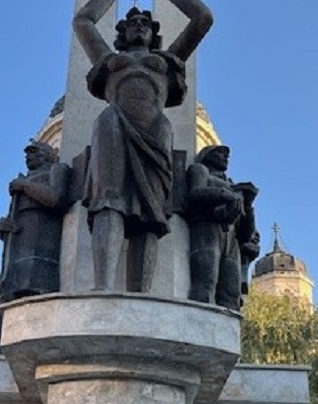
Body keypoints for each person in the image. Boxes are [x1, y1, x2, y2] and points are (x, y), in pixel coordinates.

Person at [73, 0, 213, 291]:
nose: (139, 25)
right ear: (122, 33)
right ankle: (102, 287)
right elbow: (83, 21)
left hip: (156, 129)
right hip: (114, 121)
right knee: (107, 200)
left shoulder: (169, 58)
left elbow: (203, 18)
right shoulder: (108, 57)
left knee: (152, 209)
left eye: (145, 23)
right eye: (133, 22)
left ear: (154, 34)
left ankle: (142, 293)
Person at [0, 141, 72, 353]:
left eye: (34, 153)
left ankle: (32, 348)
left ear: (50, 154)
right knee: (6, 297)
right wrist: (3, 228)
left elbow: (56, 199)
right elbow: (13, 216)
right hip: (17, 245)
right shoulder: (22, 180)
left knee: (35, 292)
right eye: (27, 154)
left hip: (40, 244)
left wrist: (25, 187)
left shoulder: (57, 170)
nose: (28, 157)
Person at [185, 145, 258, 309]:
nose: (225, 157)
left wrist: (248, 204)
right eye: (220, 153)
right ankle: (199, 325)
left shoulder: (232, 184)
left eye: (227, 154)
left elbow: (246, 234)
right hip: (207, 229)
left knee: (232, 292)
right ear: (206, 155)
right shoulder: (200, 169)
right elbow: (195, 193)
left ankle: (228, 332)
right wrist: (228, 194)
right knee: (205, 282)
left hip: (231, 239)